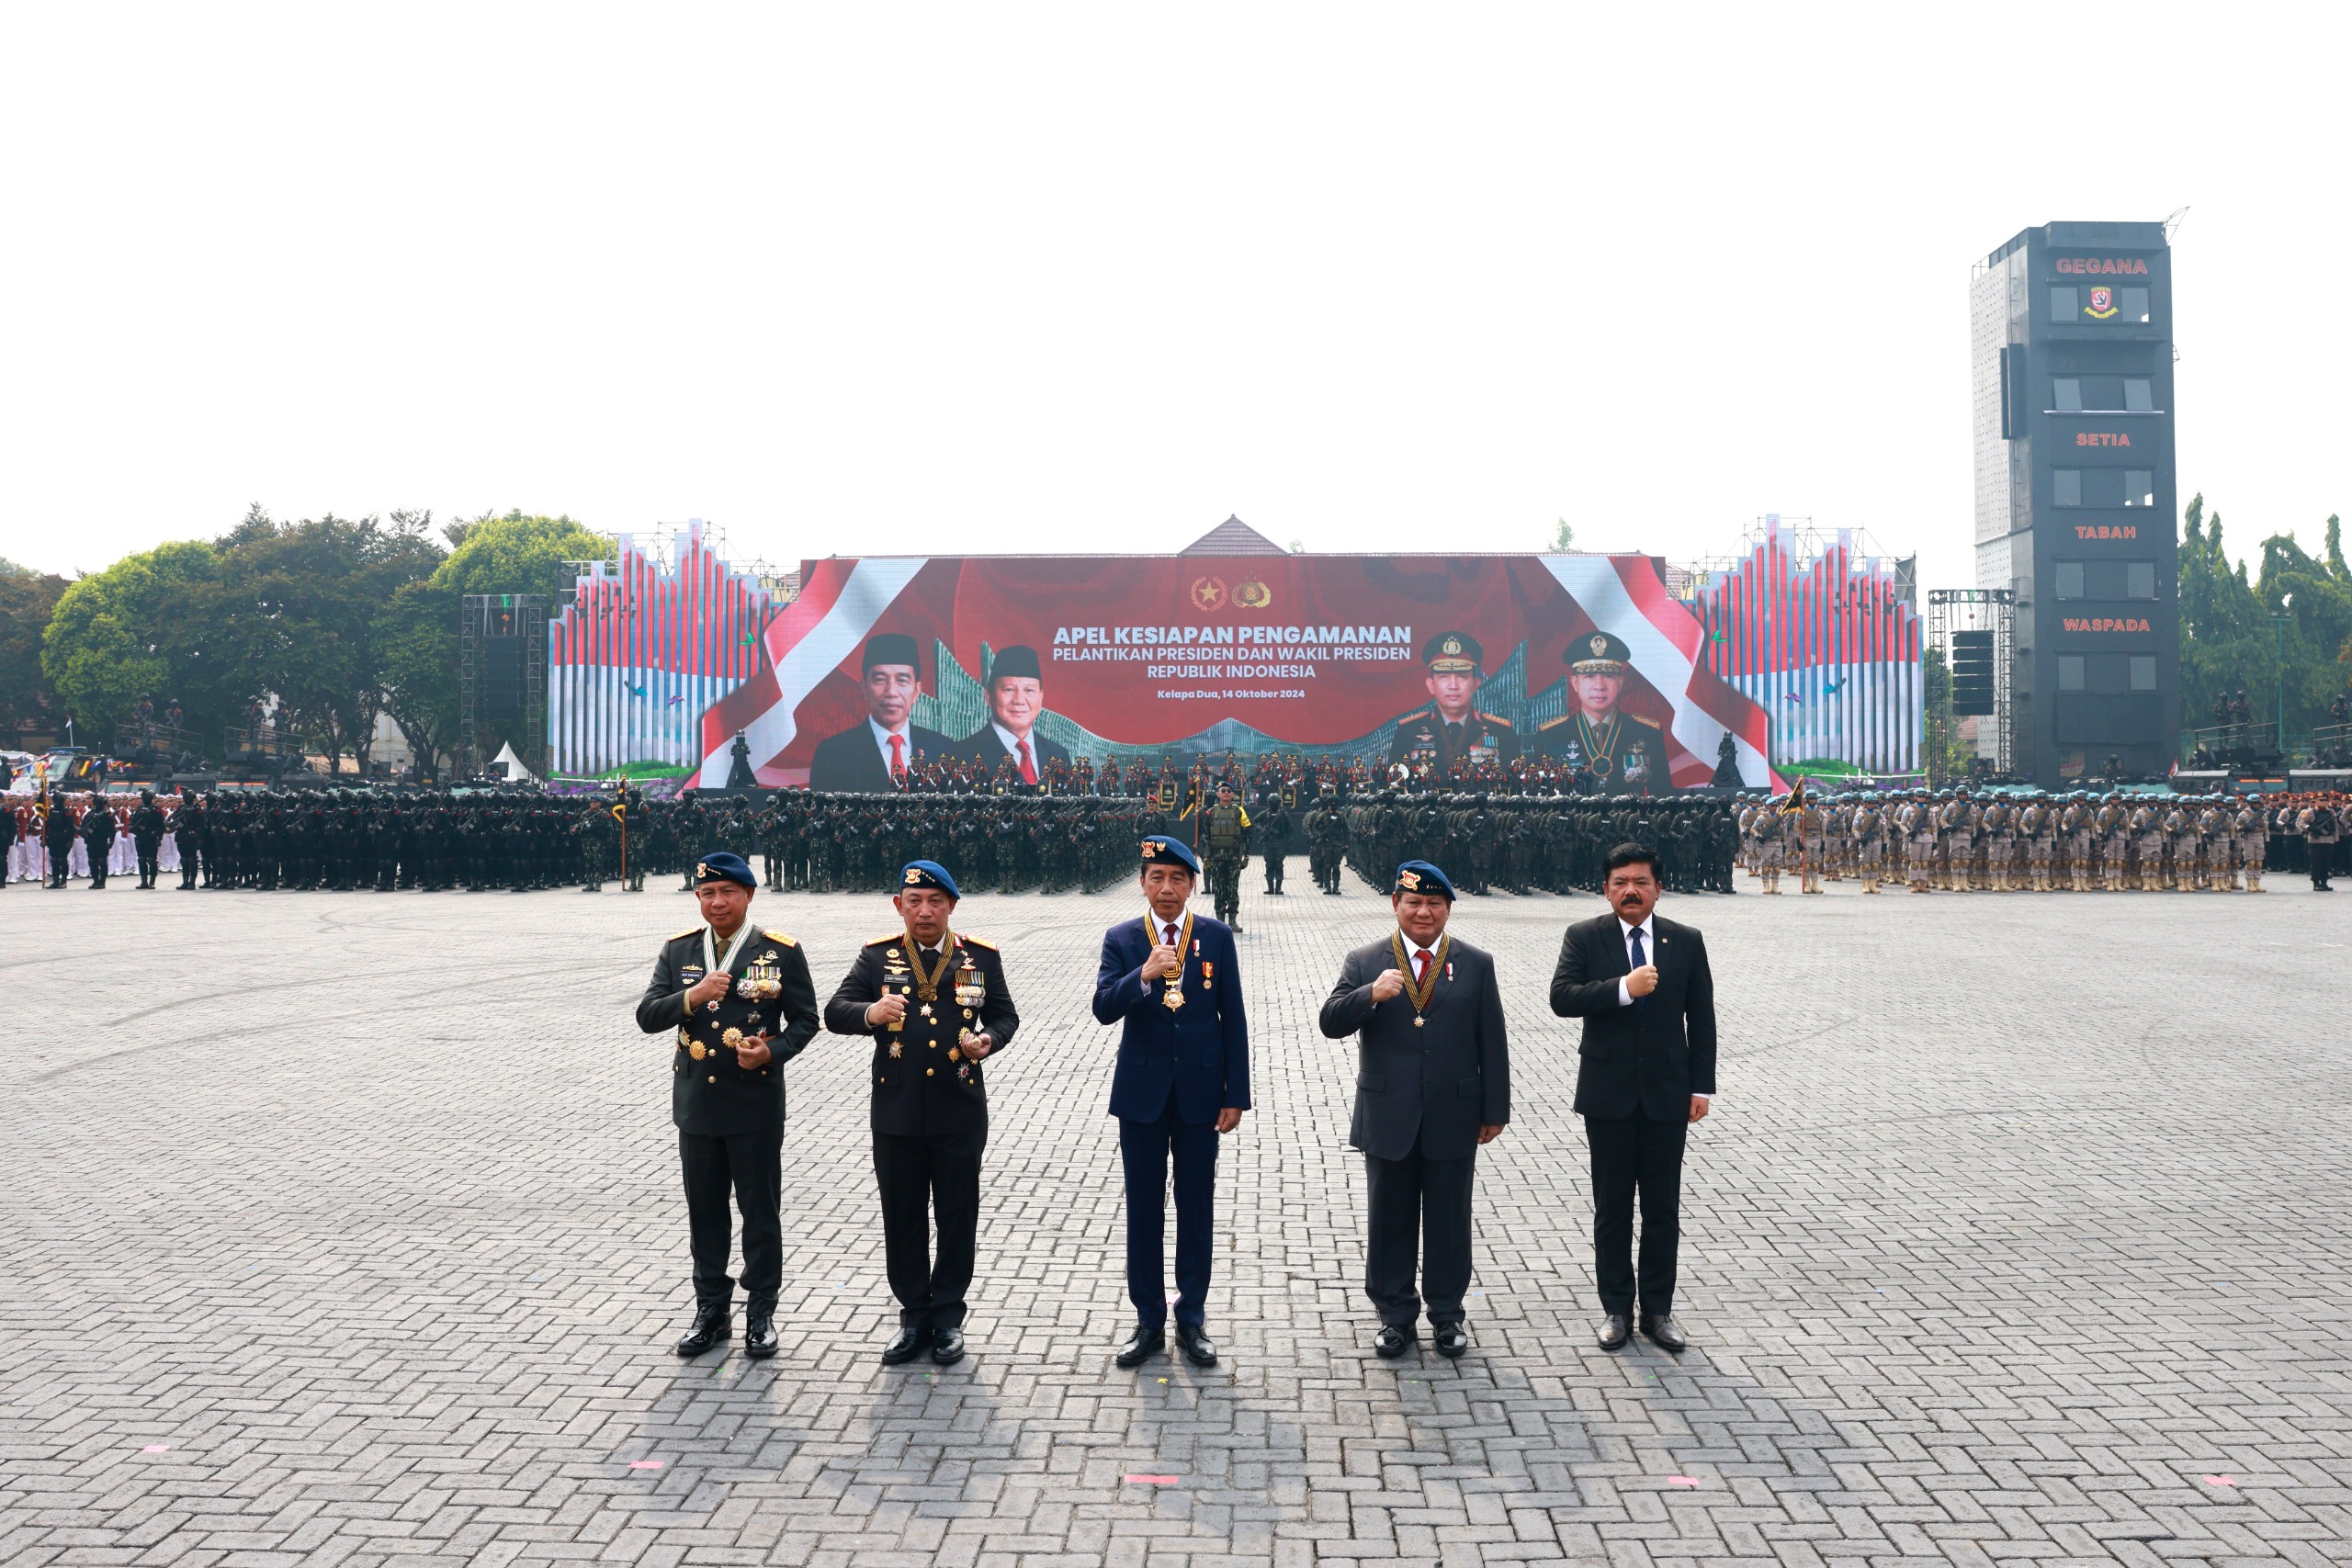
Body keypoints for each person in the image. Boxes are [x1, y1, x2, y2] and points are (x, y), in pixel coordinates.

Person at [823, 860, 1020, 1367]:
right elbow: (834, 1011)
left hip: (959, 1110)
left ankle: (949, 1316)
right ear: (899, 906)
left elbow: (1005, 1014)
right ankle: (913, 1315)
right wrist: (870, 1013)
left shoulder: (979, 957)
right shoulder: (876, 958)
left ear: (952, 906)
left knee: (957, 1214)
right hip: (898, 1113)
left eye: (936, 902)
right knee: (903, 1215)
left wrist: (989, 1040)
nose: (925, 911)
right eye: (915, 902)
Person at [633, 851, 821, 1360]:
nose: (717, 902)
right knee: (706, 1213)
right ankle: (711, 1309)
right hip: (696, 1107)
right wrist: (692, 997)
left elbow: (807, 1020)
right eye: (707, 894)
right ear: (698, 898)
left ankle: (761, 1311)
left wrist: (772, 1050)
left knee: (760, 1212)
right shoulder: (679, 952)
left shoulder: (779, 950)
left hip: (754, 1104)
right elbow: (647, 1015)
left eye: (728, 893)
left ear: (749, 896)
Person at [1317, 860, 1509, 1359]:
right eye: (1414, 903)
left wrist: (1494, 1109)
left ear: (1447, 909)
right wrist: (1369, 995)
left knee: (1448, 1219)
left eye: (1434, 904)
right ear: (1396, 906)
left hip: (1454, 1113)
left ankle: (1447, 1315)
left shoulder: (1476, 962)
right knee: (1390, 1220)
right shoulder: (1365, 960)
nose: (1424, 912)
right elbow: (1330, 1021)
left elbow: (1493, 1041)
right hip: (1388, 1114)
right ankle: (1395, 1316)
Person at [1547, 841, 1716, 1354]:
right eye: (1620, 883)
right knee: (1613, 1208)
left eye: (1641, 882)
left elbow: (1702, 1018)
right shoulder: (1585, 937)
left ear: (1658, 889)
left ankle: (1658, 1312)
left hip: (1668, 1096)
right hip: (1609, 1095)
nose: (1630, 891)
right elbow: (1562, 998)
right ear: (1606, 889)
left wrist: (1700, 1086)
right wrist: (1623, 987)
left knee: (1662, 1208)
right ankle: (1617, 1310)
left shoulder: (1685, 940)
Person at [1091, 833, 1250, 1371]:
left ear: (1191, 886)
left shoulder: (1216, 936)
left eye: (1177, 879)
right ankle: (1148, 1320)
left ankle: (1193, 1318)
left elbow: (1234, 1019)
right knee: (1143, 1209)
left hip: (1202, 1096)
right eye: (1156, 878)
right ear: (1142, 884)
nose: (1166, 888)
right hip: (1142, 1096)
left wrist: (1236, 1094)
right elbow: (1103, 1008)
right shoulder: (1122, 938)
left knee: (1196, 1207)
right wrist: (1144, 975)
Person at [808, 634, 954, 793]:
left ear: (917, 691)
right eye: (880, 679)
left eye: (902, 680)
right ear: (864, 688)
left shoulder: (943, 750)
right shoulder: (833, 753)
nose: (891, 692)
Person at [1535, 631, 1667, 795]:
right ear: (1575, 683)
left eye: (1608, 676)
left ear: (1620, 683)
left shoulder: (1647, 733)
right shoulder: (1551, 735)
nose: (1599, 685)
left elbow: (1663, 797)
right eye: (1589, 676)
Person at [1387, 633, 1521, 778]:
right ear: (1430, 685)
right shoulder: (1408, 731)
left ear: (1476, 684)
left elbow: (1514, 786)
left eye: (1462, 677)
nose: (1453, 686)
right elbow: (1395, 785)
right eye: (1444, 677)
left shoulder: (1501, 731)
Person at [947, 645, 1070, 786]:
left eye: (1029, 690)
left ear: (1041, 697)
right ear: (988, 696)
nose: (1019, 700)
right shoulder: (962, 756)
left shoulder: (1058, 755)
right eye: (1009, 690)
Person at [1198, 784, 1251, 930]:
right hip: (1216, 858)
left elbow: (1247, 834)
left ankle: (1232, 921)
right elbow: (1206, 837)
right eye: (1223, 791)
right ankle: (1220, 923)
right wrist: (1207, 857)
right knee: (1219, 890)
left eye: (1229, 791)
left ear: (1233, 795)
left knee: (1233, 889)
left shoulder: (1239, 812)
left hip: (1233, 858)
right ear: (1218, 794)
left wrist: (1246, 855)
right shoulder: (1210, 813)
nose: (1226, 793)